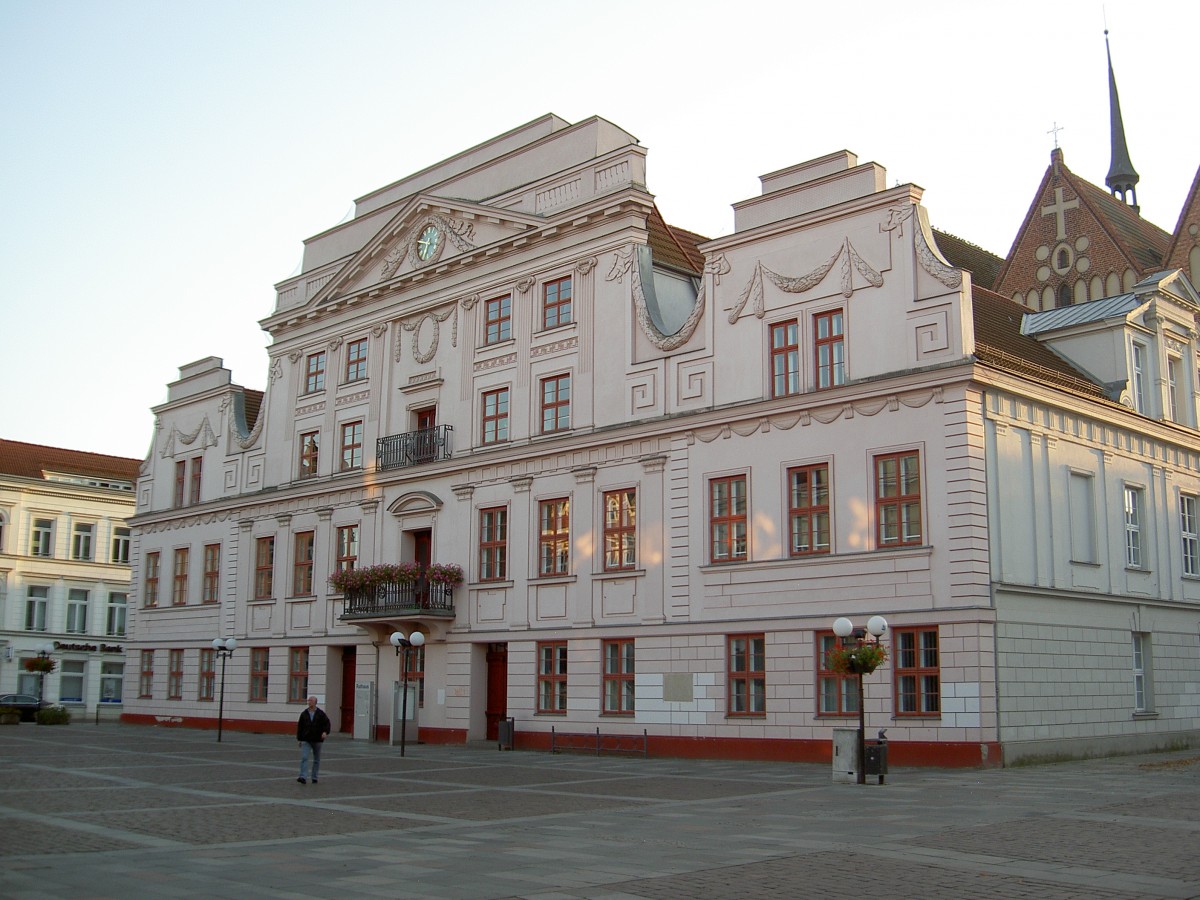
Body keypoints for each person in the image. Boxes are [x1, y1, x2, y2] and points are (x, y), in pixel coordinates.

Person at [296, 695, 331, 784]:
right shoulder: (304, 713)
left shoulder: (320, 713)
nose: (309, 702)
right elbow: (300, 727)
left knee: (316, 759)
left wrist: (325, 732)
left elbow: (327, 724)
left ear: (315, 702)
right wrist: (299, 739)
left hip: (317, 739)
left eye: (311, 701)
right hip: (306, 739)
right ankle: (303, 776)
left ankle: (314, 777)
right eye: (309, 701)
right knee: (304, 757)